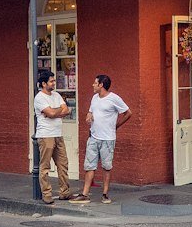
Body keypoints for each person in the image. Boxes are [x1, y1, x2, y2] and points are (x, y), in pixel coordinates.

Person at [70, 74, 131, 204]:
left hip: (108, 139)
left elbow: (128, 113)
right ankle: (85, 194)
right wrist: (88, 116)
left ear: (101, 85)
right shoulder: (94, 98)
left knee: (106, 167)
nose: (93, 85)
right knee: (89, 166)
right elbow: (90, 112)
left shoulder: (114, 98)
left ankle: (105, 194)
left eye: (95, 83)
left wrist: (117, 126)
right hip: (93, 137)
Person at [33, 68, 74, 205]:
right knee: (45, 167)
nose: (54, 83)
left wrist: (52, 112)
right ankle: (47, 194)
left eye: (54, 80)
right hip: (46, 135)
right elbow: (50, 113)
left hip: (58, 134)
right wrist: (55, 112)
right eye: (51, 81)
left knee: (63, 164)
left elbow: (66, 110)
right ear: (44, 84)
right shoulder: (39, 98)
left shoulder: (56, 95)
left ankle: (64, 192)